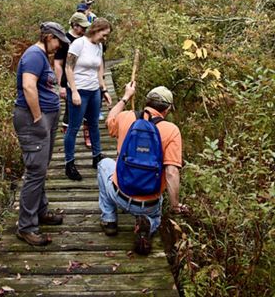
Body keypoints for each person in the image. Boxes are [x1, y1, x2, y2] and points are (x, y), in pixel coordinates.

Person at [97, 82, 188, 255]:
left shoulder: (126, 117)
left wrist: (125, 97)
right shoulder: (172, 131)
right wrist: (175, 206)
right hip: (148, 204)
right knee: (155, 216)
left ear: (146, 102)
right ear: (167, 110)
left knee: (103, 164)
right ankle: (148, 223)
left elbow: (109, 121)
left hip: (120, 194)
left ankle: (109, 220)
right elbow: (171, 172)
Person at [14, 21, 70, 247]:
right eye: (57, 41)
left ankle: (40, 211)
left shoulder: (41, 55)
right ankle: (26, 227)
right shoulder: (34, 56)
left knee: (41, 168)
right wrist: (37, 117)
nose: (59, 46)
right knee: (36, 171)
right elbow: (28, 86)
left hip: (44, 119)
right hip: (32, 120)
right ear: (48, 36)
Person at [64, 18, 113, 181]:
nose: (104, 39)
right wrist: (74, 91)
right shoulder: (79, 44)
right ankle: (69, 163)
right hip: (79, 91)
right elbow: (68, 67)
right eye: (104, 35)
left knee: (93, 125)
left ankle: (97, 156)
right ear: (96, 30)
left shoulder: (98, 46)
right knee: (74, 127)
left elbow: (99, 69)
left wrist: (104, 89)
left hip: (94, 91)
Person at [53, 13, 91, 137]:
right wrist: (61, 85)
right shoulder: (65, 40)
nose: (85, 30)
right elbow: (58, 63)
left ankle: (87, 133)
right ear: (75, 26)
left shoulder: (86, 39)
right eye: (82, 27)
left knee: (88, 108)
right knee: (70, 110)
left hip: (85, 80)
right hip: (69, 81)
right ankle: (67, 136)